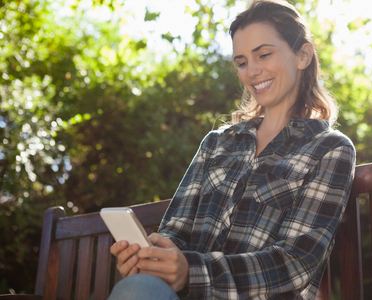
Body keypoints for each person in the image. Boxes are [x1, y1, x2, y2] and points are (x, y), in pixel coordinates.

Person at [109, 0, 356, 299]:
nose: (252, 71)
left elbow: (296, 263)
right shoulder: (217, 143)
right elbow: (175, 232)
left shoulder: (330, 149)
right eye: (241, 62)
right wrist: (150, 261)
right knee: (139, 287)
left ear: (303, 55)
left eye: (263, 54)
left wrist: (192, 271)